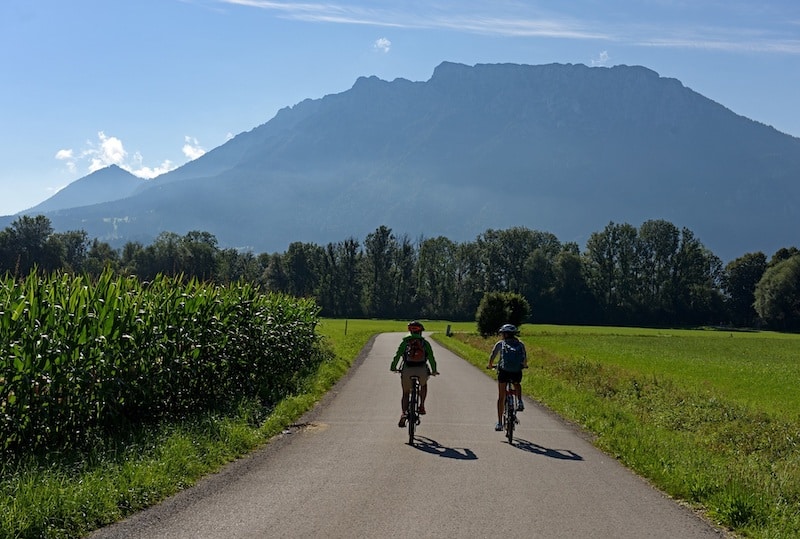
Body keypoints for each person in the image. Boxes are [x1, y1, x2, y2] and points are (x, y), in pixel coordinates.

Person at [390, 320, 438, 428]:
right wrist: (434, 370)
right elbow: (431, 358)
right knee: (423, 385)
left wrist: (393, 367)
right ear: (421, 332)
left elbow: (397, 356)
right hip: (421, 370)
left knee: (406, 393)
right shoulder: (425, 344)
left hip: (407, 370)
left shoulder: (405, 342)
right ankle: (421, 406)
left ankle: (404, 413)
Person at [486, 323, 527, 431]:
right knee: (517, 383)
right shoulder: (520, 344)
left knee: (501, 396)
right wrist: (524, 365)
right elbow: (524, 358)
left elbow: (492, 356)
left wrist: (490, 365)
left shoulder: (500, 344)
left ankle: (499, 423)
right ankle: (519, 401)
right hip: (516, 372)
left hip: (504, 372)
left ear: (504, 334)